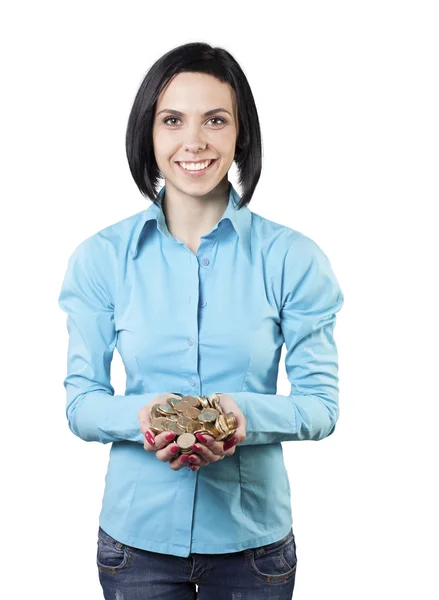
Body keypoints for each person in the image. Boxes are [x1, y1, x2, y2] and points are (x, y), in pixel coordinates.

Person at [58, 41, 344, 600]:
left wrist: (242, 417)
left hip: (252, 549)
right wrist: (143, 418)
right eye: (173, 121)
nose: (194, 141)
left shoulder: (293, 258)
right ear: (150, 133)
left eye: (215, 120)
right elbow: (80, 402)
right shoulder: (100, 258)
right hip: (135, 544)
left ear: (242, 134)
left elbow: (321, 405)